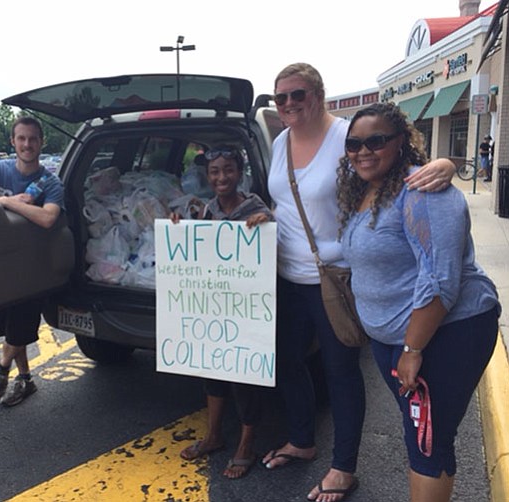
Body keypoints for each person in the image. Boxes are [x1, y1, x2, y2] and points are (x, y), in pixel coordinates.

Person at [263, 63, 456, 502]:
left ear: (319, 94)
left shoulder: (348, 137)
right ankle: (301, 439)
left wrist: (446, 164)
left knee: (340, 372)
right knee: (287, 361)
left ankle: (343, 468)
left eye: (299, 94)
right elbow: (279, 200)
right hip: (285, 274)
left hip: (336, 277)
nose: (290, 103)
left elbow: (398, 167)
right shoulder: (279, 142)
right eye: (282, 98)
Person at [337, 102, 500, 502]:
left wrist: (412, 349)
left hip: (443, 335)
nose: (363, 151)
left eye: (376, 140)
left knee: (428, 441)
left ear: (401, 143)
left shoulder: (424, 191)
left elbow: (441, 280)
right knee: (421, 434)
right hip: (395, 338)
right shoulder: (366, 191)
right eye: (354, 143)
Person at [174, 145, 273, 479]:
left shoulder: (256, 207)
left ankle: (247, 443)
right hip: (215, 310)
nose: (221, 177)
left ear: (239, 172)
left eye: (228, 170)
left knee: (245, 378)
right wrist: (179, 233)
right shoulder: (208, 210)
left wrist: (263, 226)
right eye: (214, 171)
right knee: (213, 373)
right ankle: (214, 435)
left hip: (246, 311)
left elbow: (271, 248)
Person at [0, 116, 65, 406]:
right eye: (21, 138)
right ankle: (25, 379)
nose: (27, 144)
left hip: (33, 268)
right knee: (14, 324)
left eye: (33, 139)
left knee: (21, 324)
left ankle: (3, 368)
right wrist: (6, 201)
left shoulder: (50, 183)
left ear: (42, 143)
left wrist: (7, 203)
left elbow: (48, 218)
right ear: (12, 142)